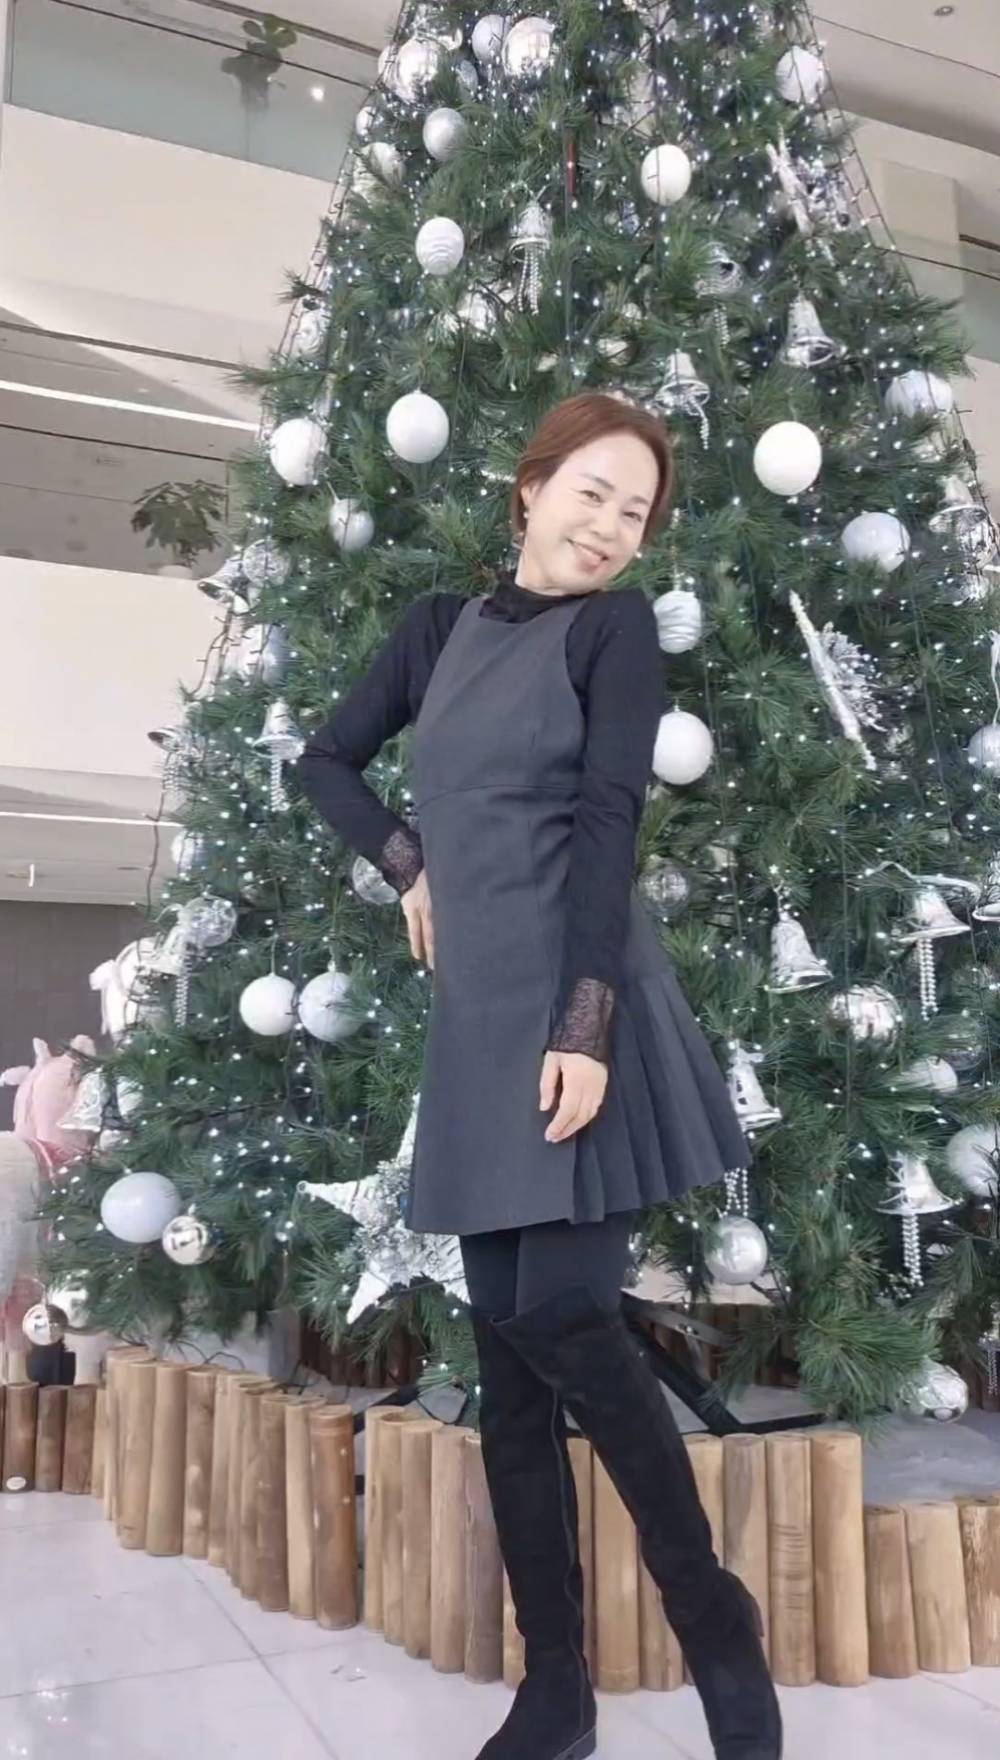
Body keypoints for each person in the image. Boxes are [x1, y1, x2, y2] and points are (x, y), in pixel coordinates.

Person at [297, 391, 781, 1760]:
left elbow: (611, 820)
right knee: (511, 1370)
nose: (611, 527)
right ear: (533, 487)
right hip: (476, 1018)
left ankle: (716, 1632)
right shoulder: (435, 631)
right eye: (592, 494)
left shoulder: (613, 630)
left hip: (583, 998)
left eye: (636, 512)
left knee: (560, 1317)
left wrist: (585, 1027)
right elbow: (326, 762)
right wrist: (410, 863)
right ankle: (555, 1687)